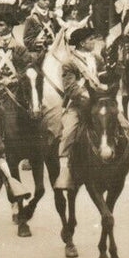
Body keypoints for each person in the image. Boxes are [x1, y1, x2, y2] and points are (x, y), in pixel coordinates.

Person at [56, 24, 109, 191]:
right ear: (81, 43)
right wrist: (88, 96)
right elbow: (71, 88)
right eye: (90, 39)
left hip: (99, 101)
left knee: (122, 123)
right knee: (67, 133)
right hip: (80, 104)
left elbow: (104, 78)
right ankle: (65, 170)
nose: (93, 42)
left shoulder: (97, 59)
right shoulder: (69, 63)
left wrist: (108, 85)